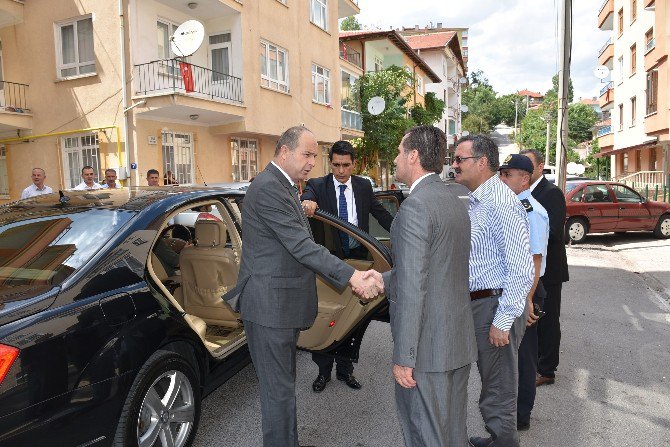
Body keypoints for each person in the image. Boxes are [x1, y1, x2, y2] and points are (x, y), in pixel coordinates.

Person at [222, 126, 383, 447]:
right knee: (278, 393)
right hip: (269, 308)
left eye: (314, 155)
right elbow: (301, 245)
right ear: (284, 151)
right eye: (307, 154)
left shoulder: (284, 186)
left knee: (283, 388)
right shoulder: (268, 187)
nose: (313, 162)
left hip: (280, 306)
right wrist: (352, 276)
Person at [382, 126, 477, 446]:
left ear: (413, 156)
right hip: (456, 344)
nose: (395, 158)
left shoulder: (415, 207)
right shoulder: (454, 198)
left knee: (426, 438)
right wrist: (380, 280)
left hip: (427, 353)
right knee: (453, 435)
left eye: (398, 151)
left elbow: (412, 287)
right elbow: (436, 269)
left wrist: (404, 356)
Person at [452, 135, 534, 447]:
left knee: (498, 387)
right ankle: (497, 437)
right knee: (493, 383)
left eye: (461, 159)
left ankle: (504, 442)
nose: (455, 165)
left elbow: (521, 266)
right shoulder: (482, 199)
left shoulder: (501, 202)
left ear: (483, 162)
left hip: (495, 304)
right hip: (485, 302)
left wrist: (504, 319)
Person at [301, 140, 394, 393]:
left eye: (346, 165)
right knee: (328, 316)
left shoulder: (363, 186)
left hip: (360, 259)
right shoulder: (317, 185)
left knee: (353, 318)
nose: (341, 171)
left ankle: (345, 370)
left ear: (354, 164)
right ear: (330, 163)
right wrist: (308, 202)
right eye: (336, 165)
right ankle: (323, 373)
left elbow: (380, 214)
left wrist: (402, 231)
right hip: (330, 262)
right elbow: (307, 197)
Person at [499, 154, 549, 431]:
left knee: (524, 358)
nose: (503, 179)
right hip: (515, 290)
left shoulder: (531, 211)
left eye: (509, 175)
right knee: (510, 358)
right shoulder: (513, 206)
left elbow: (535, 261)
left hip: (526, 291)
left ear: (524, 179)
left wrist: (527, 300)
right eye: (502, 174)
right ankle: (507, 417)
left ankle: (520, 417)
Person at [519, 149, 569, 386]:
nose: (525, 170)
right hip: (530, 267)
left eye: (529, 165)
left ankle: (547, 369)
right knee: (533, 318)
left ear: (540, 167)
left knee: (548, 320)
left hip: (549, 269)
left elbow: (555, 232)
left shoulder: (551, 193)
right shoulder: (524, 191)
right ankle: (536, 363)